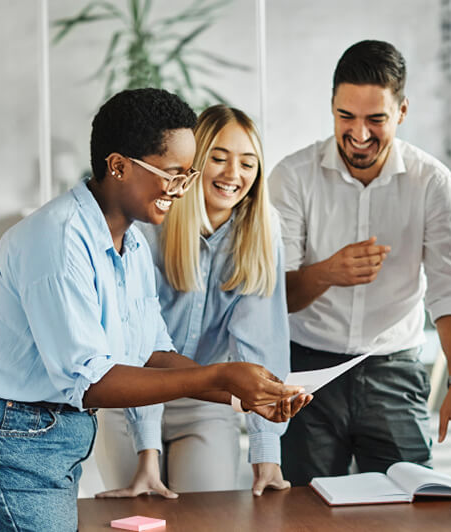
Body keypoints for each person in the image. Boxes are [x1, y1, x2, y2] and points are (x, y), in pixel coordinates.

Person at [0, 89, 308, 531]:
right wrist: (221, 376)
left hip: (40, 436)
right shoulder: (59, 240)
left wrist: (245, 395)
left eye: (187, 175)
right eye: (171, 174)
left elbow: (150, 353)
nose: (180, 190)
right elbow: (90, 381)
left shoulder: (131, 246)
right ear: (119, 166)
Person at [269, 39, 451, 485]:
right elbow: (275, 297)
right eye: (346, 116)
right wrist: (328, 272)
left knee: (409, 504)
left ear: (402, 112)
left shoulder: (432, 182)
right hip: (307, 370)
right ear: (331, 107)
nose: (360, 133)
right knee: (304, 509)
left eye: (376, 119)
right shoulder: (292, 177)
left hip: (393, 369)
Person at [94, 104, 305, 498]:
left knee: (209, 517)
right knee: (137, 517)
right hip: (131, 401)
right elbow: (139, 347)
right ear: (192, 165)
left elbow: (261, 342)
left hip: (206, 402)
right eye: (218, 159)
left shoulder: (261, 230)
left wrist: (267, 453)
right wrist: (147, 450)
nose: (233, 175)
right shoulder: (151, 223)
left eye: (247, 163)